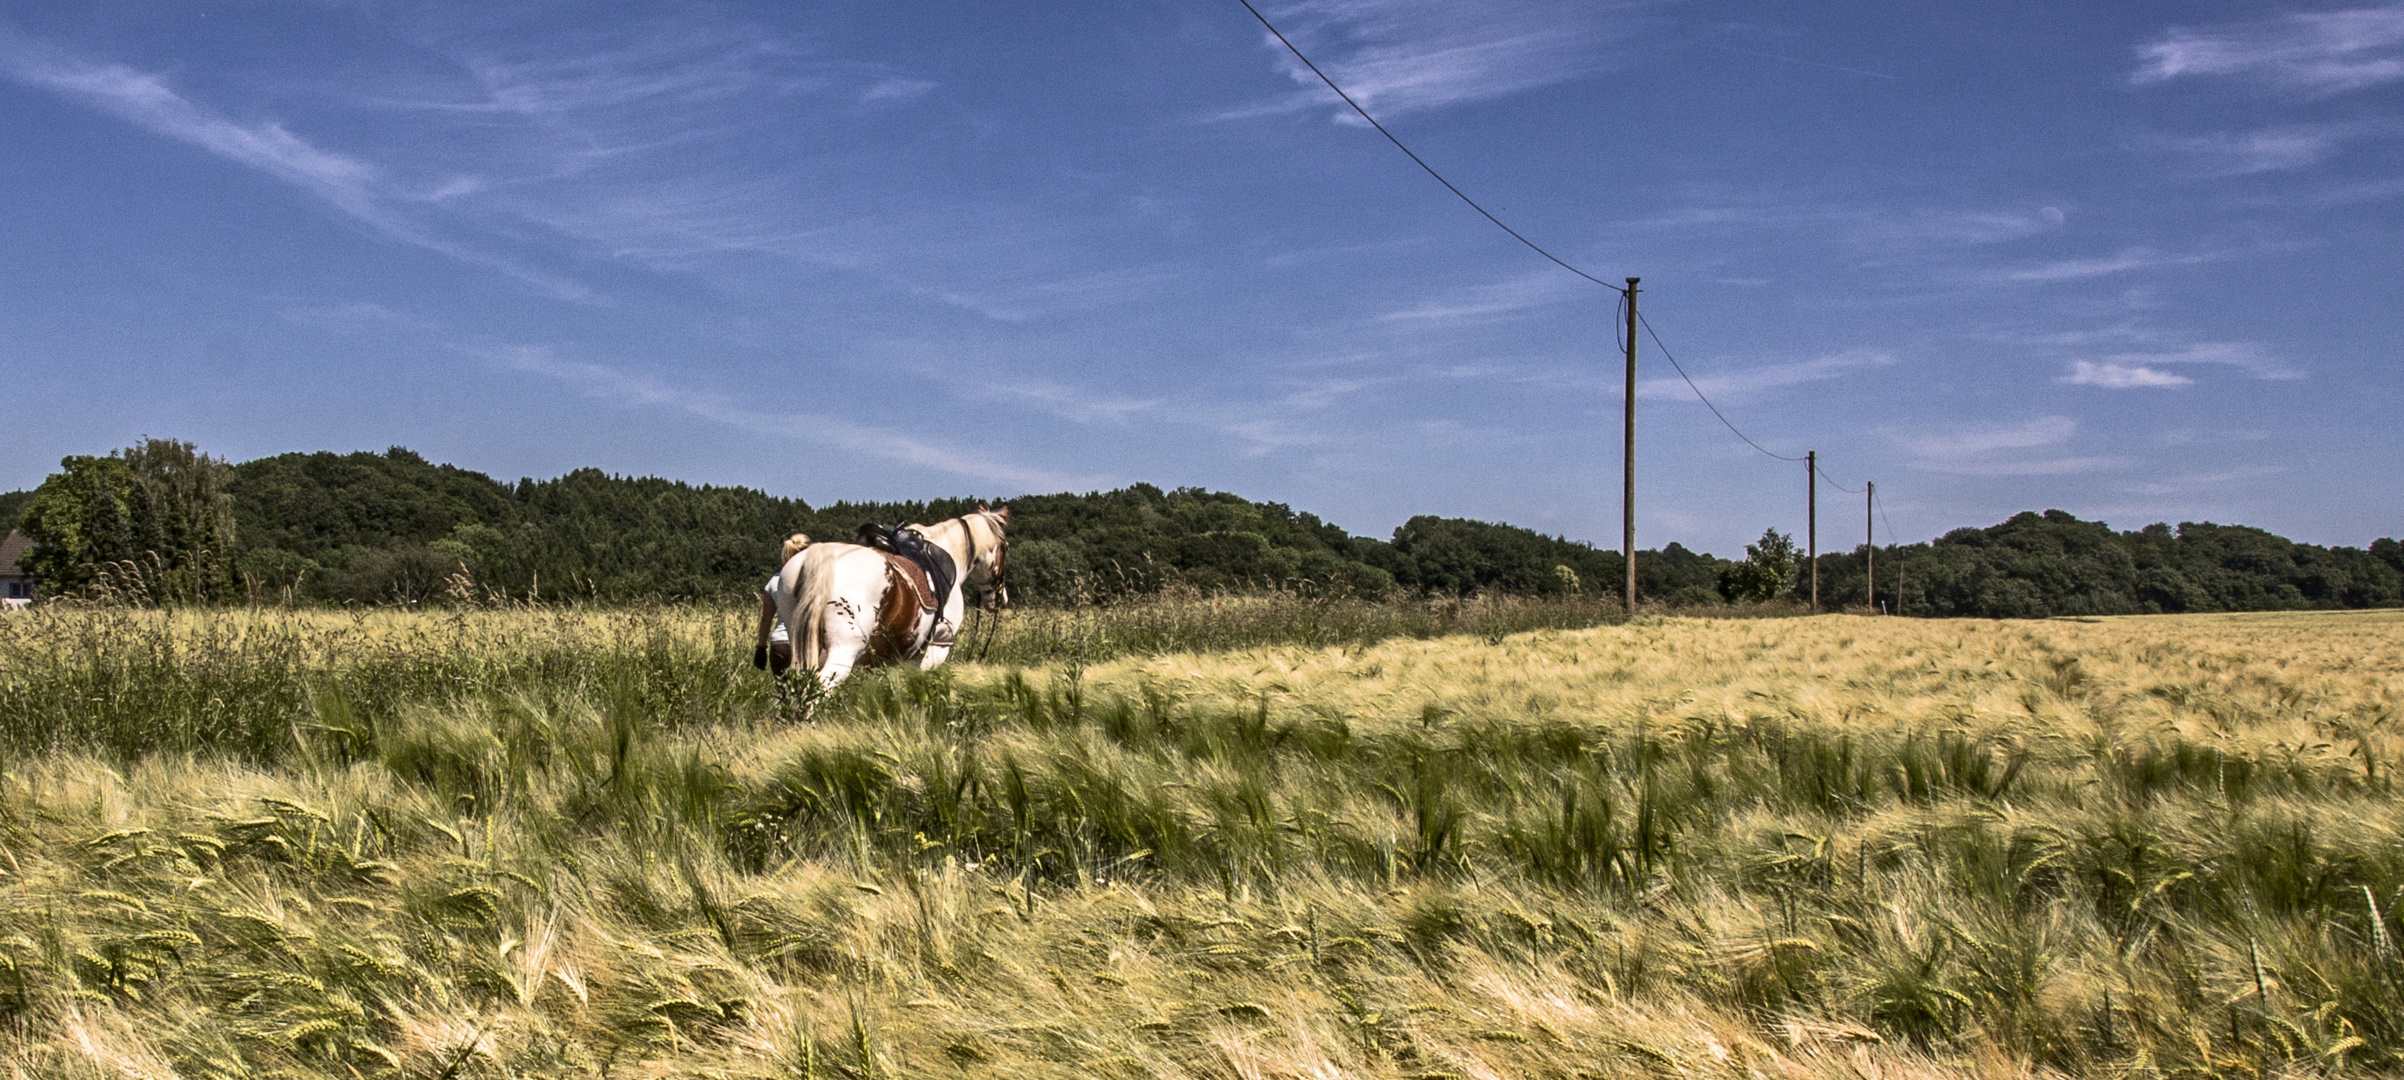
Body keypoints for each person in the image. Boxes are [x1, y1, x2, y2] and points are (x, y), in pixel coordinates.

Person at [754, 533, 811, 675]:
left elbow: (766, 620)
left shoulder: (774, 581)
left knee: (784, 694)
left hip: (780, 644)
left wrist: (761, 648)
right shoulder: (813, 580)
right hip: (807, 643)